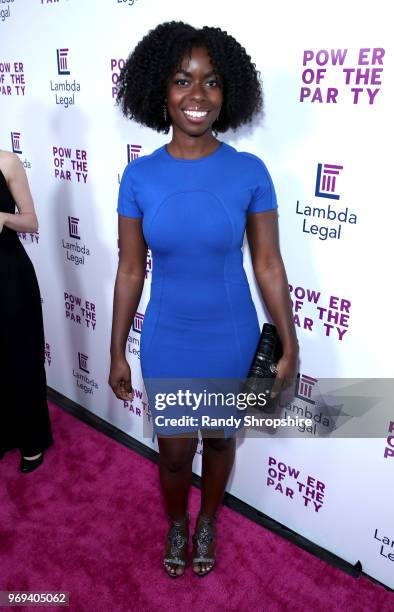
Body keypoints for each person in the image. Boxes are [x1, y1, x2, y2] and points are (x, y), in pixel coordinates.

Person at [109, 21, 298, 578]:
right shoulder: (139, 176)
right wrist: (117, 349)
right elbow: (127, 269)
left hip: (231, 334)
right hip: (168, 336)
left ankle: (208, 520)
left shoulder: (249, 172)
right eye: (182, 80)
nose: (197, 96)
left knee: (219, 441)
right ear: (160, 91)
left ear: (228, 91)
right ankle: (176, 521)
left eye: (211, 82)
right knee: (172, 454)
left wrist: (289, 342)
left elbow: (267, 263)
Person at [0, 150, 53, 473]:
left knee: (20, 356)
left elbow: (31, 221)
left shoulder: (6, 162)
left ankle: (32, 440)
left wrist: (3, 217)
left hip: (8, 274)